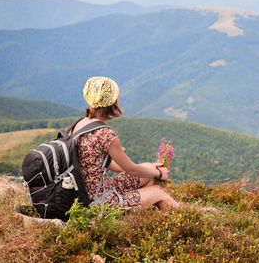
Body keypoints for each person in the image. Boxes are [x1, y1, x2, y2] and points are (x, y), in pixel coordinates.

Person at [73, 76, 179, 211]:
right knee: (158, 191)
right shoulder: (106, 135)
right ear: (113, 101)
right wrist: (159, 173)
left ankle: (144, 222)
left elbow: (104, 162)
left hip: (87, 192)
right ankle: (185, 223)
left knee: (147, 171)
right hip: (101, 201)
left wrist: (150, 170)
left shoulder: (80, 124)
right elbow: (132, 169)